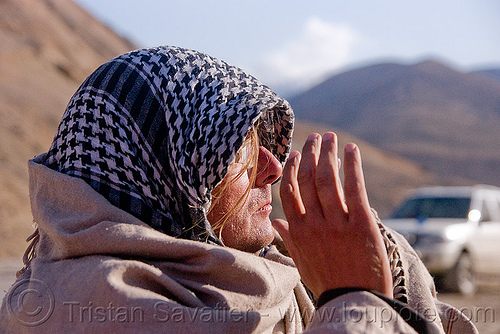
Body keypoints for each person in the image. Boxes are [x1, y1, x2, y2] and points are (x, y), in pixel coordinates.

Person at [0, 46, 477, 333]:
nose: (273, 169)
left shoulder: (271, 280)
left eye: (272, 146)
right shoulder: (86, 309)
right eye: (240, 151)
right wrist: (356, 298)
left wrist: (379, 268)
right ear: (166, 177)